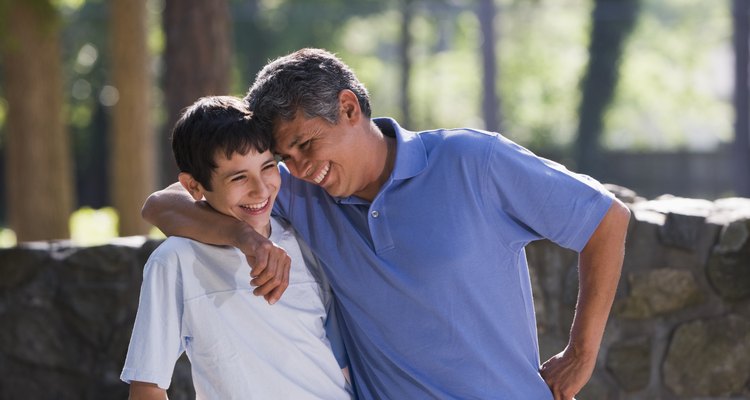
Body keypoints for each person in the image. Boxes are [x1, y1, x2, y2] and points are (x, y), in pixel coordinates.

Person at [142, 49, 631, 400]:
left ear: (349, 108)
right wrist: (243, 237)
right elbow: (162, 203)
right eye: (285, 157)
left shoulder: (472, 160)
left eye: (307, 145)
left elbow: (605, 219)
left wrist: (581, 354)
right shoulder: (298, 192)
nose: (301, 167)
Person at [121, 96, 353, 399]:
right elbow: (147, 387)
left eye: (268, 167)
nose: (260, 189)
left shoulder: (304, 241)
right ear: (193, 187)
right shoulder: (175, 260)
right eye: (239, 177)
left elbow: (339, 361)